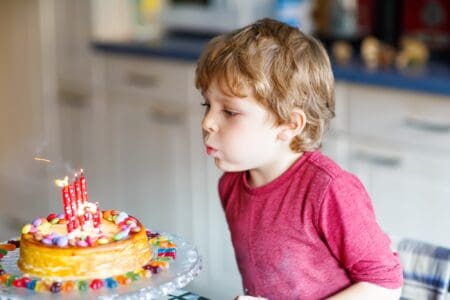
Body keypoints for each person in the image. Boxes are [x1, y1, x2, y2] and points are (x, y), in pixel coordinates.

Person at [195, 18, 403, 300]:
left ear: (289, 124)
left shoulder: (329, 190)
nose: (207, 122)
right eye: (207, 105)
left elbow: (385, 285)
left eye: (229, 112)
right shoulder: (231, 185)